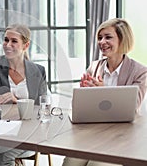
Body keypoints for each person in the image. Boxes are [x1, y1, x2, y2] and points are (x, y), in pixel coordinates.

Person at [62, 18, 147, 166]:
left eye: (108, 37)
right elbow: (81, 109)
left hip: (122, 138)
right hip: (93, 134)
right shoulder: (94, 67)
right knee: (70, 163)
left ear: (123, 39)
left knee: (96, 165)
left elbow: (131, 109)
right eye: (100, 38)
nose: (102, 42)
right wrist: (84, 96)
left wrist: (103, 92)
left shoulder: (140, 72)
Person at [0, 24, 48, 165]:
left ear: (26, 45)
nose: (8, 44)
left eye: (14, 41)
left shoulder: (38, 70)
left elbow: (43, 107)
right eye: (6, 40)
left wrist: (17, 101)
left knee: (2, 156)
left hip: (27, 131)